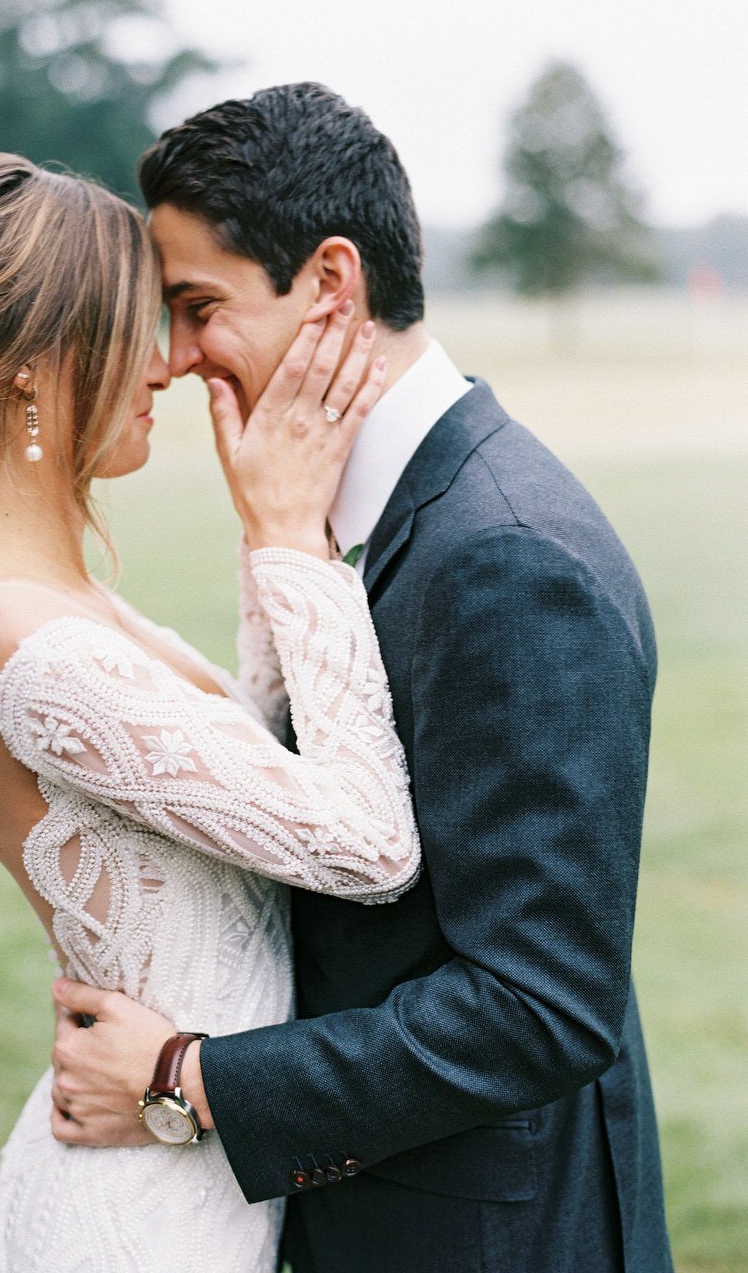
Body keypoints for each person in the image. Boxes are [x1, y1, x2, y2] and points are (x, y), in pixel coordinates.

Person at [48, 84, 674, 1272]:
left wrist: (189, 1076)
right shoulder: (375, 516)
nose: (175, 360)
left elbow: (539, 1004)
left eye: (198, 307)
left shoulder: (503, 558)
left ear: (332, 283)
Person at [0, 146, 425, 1273]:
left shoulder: (51, 598)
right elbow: (367, 842)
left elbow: (247, 767)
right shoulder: (12, 634)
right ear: (37, 361)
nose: (173, 363)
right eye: (145, 322)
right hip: (137, 1225)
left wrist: (268, 522)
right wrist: (285, 540)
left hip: (181, 1166)